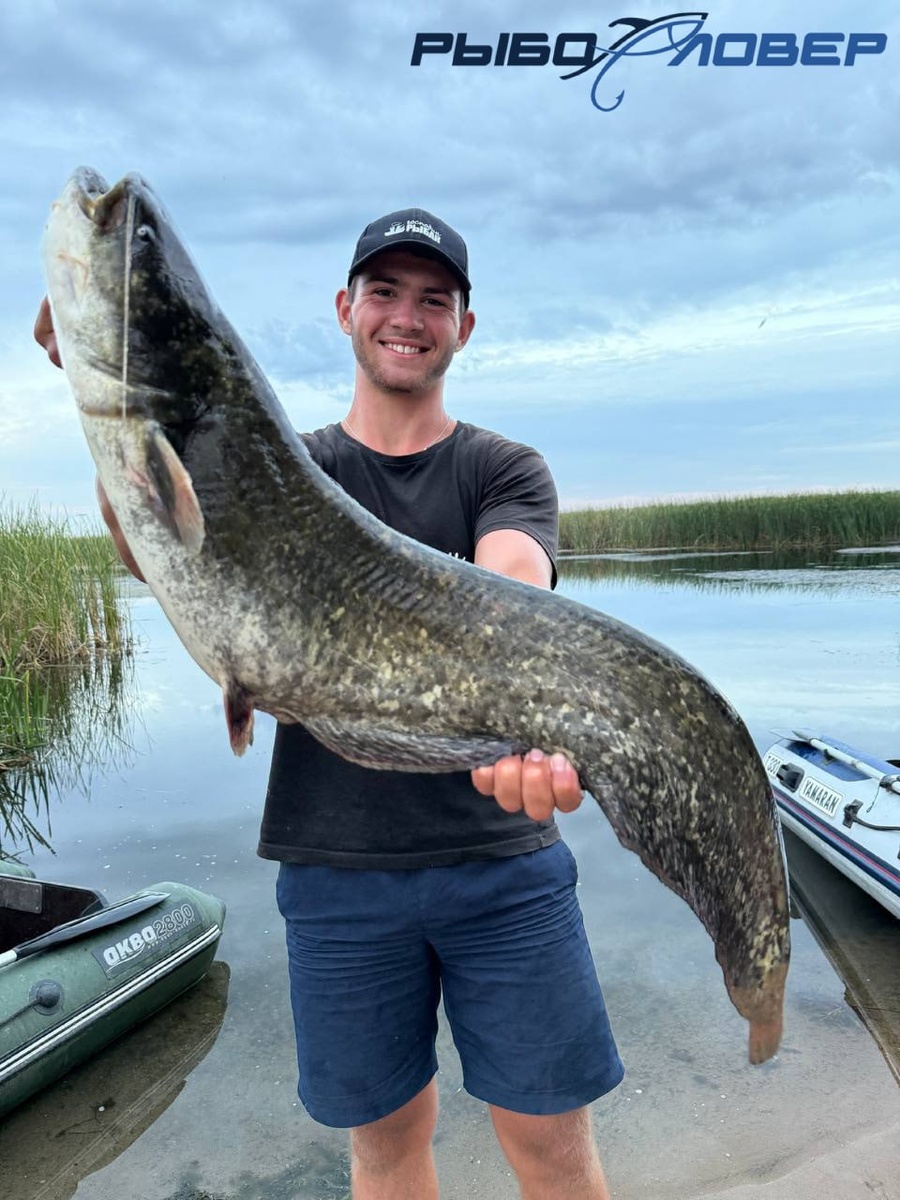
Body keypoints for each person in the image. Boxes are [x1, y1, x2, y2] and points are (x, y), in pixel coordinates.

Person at [34, 207, 624, 1199]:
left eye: (434, 299)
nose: (408, 317)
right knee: (384, 1148)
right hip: (334, 871)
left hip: (503, 868)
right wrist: (113, 411)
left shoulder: (503, 470)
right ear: (346, 309)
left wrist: (523, 703)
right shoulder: (289, 469)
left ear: (464, 326)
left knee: (552, 1148)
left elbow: (512, 585)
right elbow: (161, 543)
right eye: (385, 292)